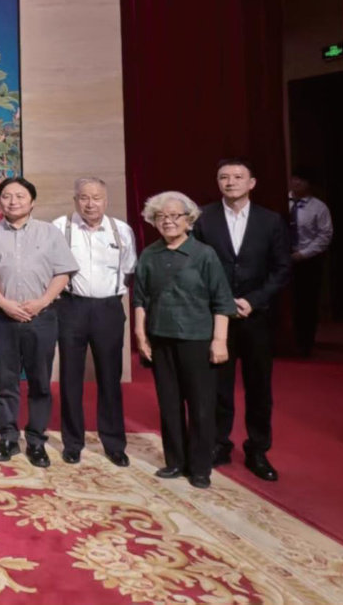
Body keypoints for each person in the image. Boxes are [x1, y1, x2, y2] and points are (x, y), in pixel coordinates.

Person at [0, 177, 79, 468]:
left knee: (40, 382)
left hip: (41, 317)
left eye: (20, 196)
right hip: (3, 317)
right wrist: (2, 303)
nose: (13, 201)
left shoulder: (50, 232)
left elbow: (64, 271)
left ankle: (36, 440)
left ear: (32, 201)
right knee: (6, 381)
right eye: (7, 196)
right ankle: (7, 438)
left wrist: (43, 301)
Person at [192, 159, 290, 481]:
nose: (230, 182)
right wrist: (221, 302)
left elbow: (281, 269)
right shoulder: (203, 218)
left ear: (252, 183)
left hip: (256, 316)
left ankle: (258, 449)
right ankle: (218, 444)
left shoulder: (270, 221)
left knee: (258, 385)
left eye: (237, 177)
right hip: (216, 316)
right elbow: (196, 266)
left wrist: (253, 300)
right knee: (217, 384)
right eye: (224, 177)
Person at [133, 191, 234, 489]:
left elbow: (222, 300)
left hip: (197, 339)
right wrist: (141, 334)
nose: (168, 221)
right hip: (160, 338)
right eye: (161, 216)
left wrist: (220, 340)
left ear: (189, 220)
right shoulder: (149, 254)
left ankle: (200, 467)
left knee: (201, 405)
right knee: (169, 403)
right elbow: (140, 298)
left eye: (175, 216)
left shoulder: (204, 254)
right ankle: (175, 461)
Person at [52, 177, 137, 467]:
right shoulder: (60, 227)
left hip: (108, 308)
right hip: (71, 306)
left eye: (96, 198)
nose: (90, 204)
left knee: (110, 377)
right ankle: (72, 442)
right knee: (70, 377)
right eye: (84, 198)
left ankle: (113, 443)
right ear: (75, 200)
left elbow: (128, 269)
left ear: (106, 200)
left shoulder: (121, 230)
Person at [288, 173, 333, 355]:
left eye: (301, 179)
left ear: (309, 184)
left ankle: (305, 343)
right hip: (281, 260)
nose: (296, 182)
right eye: (294, 178)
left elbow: (324, 236)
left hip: (307, 261)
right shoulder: (282, 202)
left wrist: (302, 254)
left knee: (306, 303)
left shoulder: (318, 207)